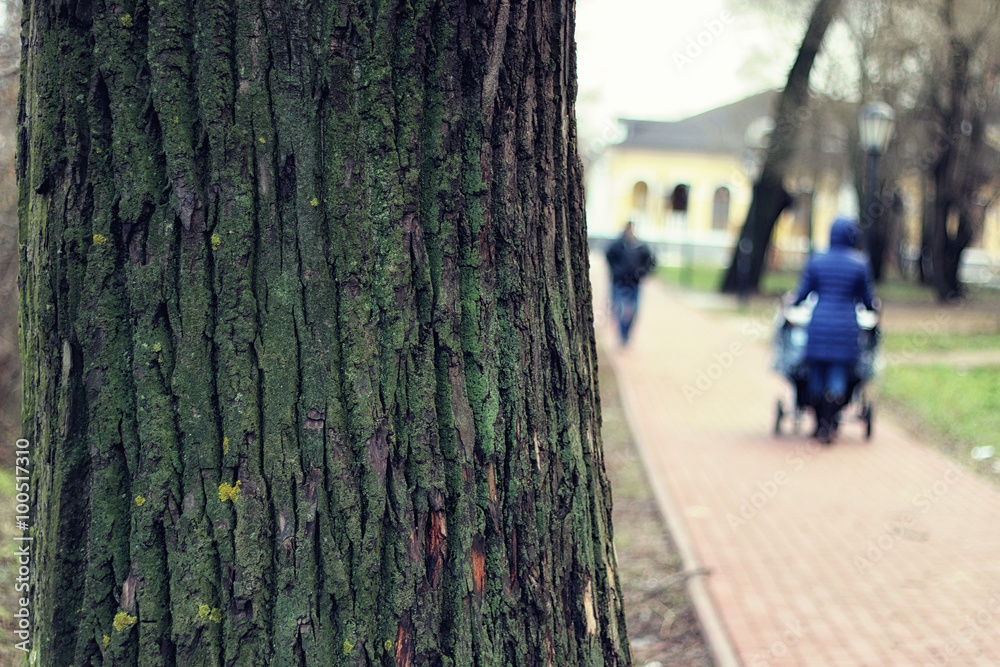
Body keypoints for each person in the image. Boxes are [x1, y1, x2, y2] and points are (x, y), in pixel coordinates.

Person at [790, 216, 877, 443]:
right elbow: (868, 300)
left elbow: (802, 293)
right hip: (845, 327)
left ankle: (819, 424)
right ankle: (830, 423)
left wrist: (792, 304)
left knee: (816, 374)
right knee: (838, 374)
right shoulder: (860, 264)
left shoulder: (817, 261)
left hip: (818, 325)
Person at [605, 222, 656, 347]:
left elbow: (651, 261)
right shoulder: (617, 245)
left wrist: (643, 274)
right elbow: (609, 257)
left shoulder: (641, 247)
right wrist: (616, 271)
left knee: (634, 311)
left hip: (634, 283)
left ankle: (626, 336)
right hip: (618, 282)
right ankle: (621, 337)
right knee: (619, 309)